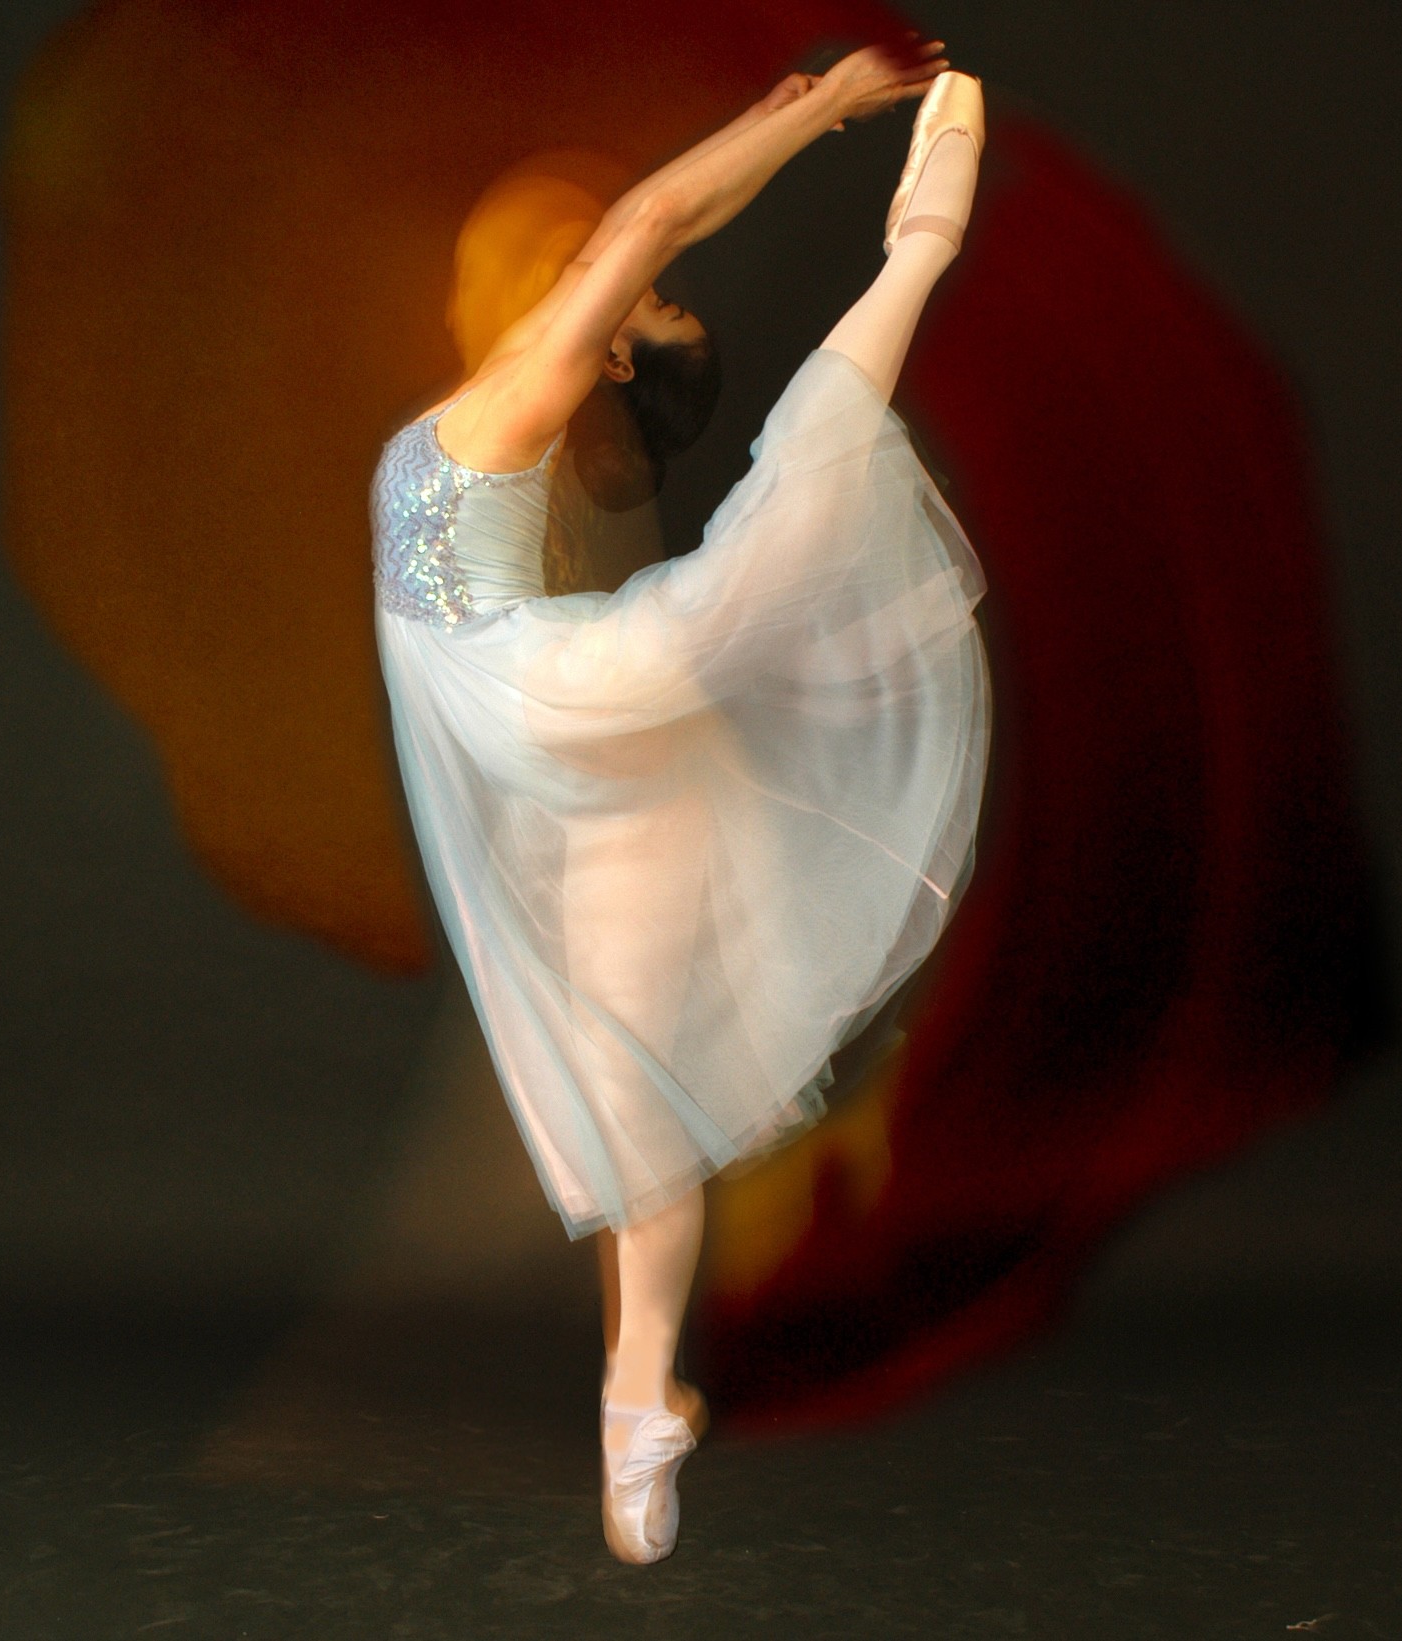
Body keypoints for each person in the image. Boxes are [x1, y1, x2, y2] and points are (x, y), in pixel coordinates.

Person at [370, 42, 991, 1565]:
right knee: (628, 1075)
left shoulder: (528, 383)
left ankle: (637, 1409)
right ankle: (637, 1403)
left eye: (625, 309)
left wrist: (816, 111)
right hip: (553, 710)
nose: (597, 281)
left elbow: (640, 222)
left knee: (635, 1080)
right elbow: (625, 234)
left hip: (551, 705)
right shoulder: (500, 406)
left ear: (615, 360)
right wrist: (801, 110)